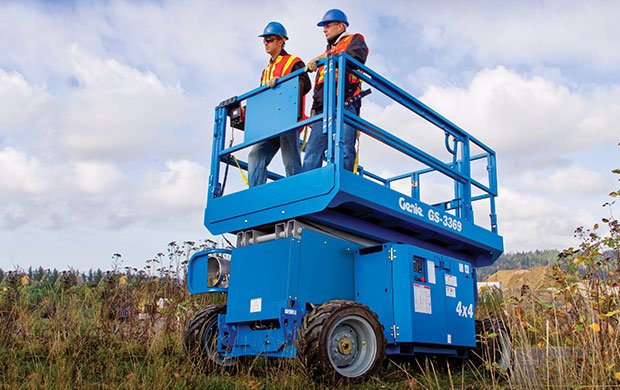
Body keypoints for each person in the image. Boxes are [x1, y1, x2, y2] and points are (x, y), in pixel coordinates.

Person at [302, 9, 369, 172]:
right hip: (322, 109)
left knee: (344, 147)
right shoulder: (327, 52)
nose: (324, 30)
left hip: (345, 103)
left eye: (328, 25)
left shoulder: (354, 40)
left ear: (340, 26)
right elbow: (320, 85)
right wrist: (313, 108)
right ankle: (307, 188)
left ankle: (344, 180)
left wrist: (327, 58)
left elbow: (356, 58)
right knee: (312, 151)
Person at [247, 22, 311, 187]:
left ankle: (297, 192)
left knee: (290, 161)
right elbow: (261, 98)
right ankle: (256, 194)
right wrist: (245, 111)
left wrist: (282, 85)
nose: (266, 43)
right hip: (270, 125)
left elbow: (305, 83)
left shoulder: (293, 61)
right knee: (255, 155)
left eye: (269, 39)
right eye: (264, 40)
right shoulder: (265, 71)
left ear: (281, 41)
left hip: (288, 120)